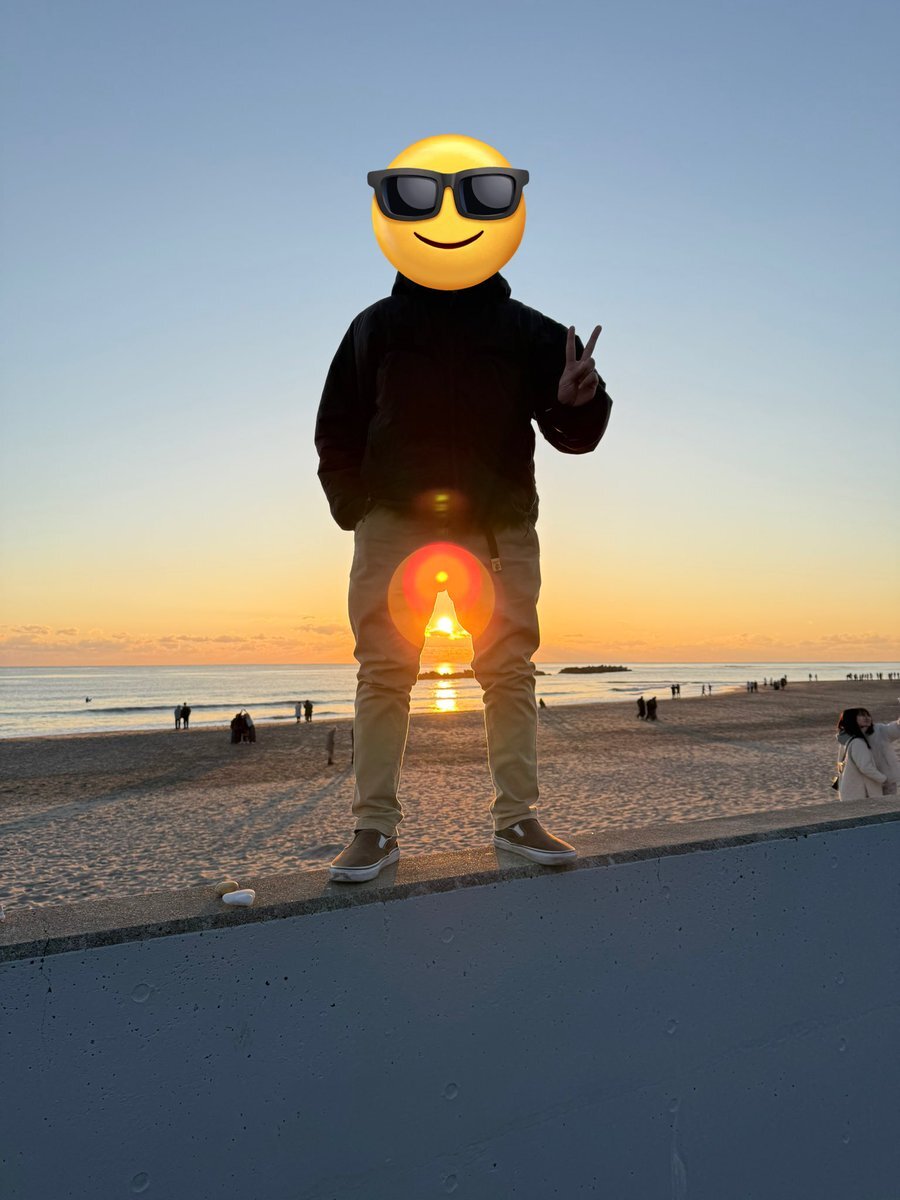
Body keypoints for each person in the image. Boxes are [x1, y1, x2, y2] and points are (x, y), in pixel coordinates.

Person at [317, 135, 613, 883]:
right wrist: (357, 508)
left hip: (498, 523)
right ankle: (373, 829)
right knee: (385, 670)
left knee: (508, 668)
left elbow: (573, 430)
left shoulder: (528, 330)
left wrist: (580, 401)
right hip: (394, 518)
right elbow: (336, 425)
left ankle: (518, 817)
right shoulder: (376, 325)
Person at [836, 707, 900, 800]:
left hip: (881, 782)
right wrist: (883, 779)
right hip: (866, 787)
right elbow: (864, 767)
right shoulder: (853, 740)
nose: (866, 718)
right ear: (851, 719)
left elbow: (897, 728)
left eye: (868, 715)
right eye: (861, 715)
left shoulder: (878, 730)